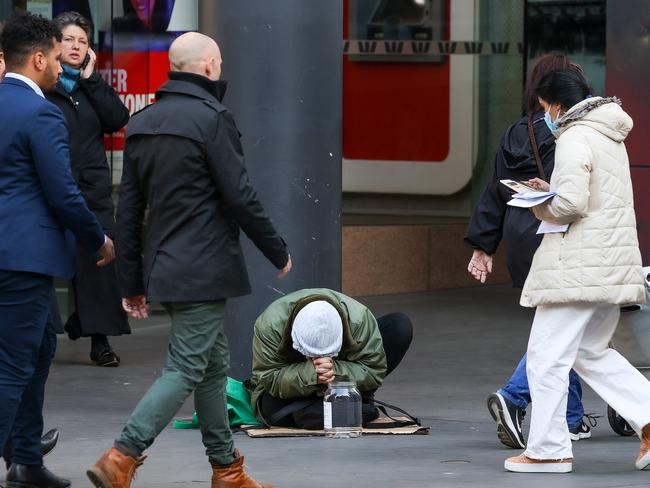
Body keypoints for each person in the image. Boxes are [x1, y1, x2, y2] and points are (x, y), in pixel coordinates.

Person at [87, 32, 292, 488]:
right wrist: (276, 248)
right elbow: (239, 195)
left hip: (166, 266)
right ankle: (122, 454)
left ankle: (227, 469)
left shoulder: (142, 122)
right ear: (209, 67)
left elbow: (130, 213)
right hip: (204, 268)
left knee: (212, 367)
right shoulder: (213, 119)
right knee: (184, 367)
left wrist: (132, 282)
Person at [504, 69, 650, 473]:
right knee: (590, 351)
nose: (544, 116)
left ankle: (548, 450)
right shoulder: (607, 134)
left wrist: (537, 200)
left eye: (544, 107)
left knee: (545, 357)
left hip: (578, 267)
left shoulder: (572, 137)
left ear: (555, 104)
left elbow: (570, 205)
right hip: (608, 263)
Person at [0, 11, 114, 488]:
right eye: (55, 56)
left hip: (15, 256)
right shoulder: (42, 111)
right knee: (13, 364)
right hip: (22, 259)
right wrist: (98, 239)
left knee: (42, 346)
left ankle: (25, 460)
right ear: (40, 58)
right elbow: (63, 192)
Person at [464, 54, 591, 449]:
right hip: (557, 233)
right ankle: (514, 395)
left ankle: (570, 418)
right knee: (562, 330)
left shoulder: (516, 132)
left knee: (558, 323)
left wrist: (482, 246)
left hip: (521, 237)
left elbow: (495, 189)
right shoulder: (574, 131)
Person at [47, 11, 131, 367]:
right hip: (52, 187)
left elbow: (118, 118)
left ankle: (99, 340)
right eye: (69, 39)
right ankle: (48, 332)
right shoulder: (43, 87)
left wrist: (92, 79)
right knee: (46, 259)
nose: (77, 46)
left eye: (83, 41)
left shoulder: (90, 85)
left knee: (100, 260)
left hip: (93, 188)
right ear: (54, 44)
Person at [250, 288, 413, 428]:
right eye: (312, 353)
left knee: (399, 326)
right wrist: (312, 373)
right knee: (271, 409)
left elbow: (373, 371)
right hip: (291, 391)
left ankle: (329, 408)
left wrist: (334, 371)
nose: (320, 358)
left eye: (329, 352)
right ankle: (346, 409)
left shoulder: (359, 319)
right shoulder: (269, 326)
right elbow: (268, 377)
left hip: (341, 377)